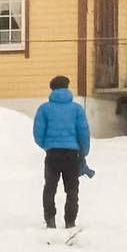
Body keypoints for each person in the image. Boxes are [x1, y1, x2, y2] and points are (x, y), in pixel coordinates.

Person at [33, 75, 90, 229]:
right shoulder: (77, 109)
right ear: (67, 87)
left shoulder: (44, 108)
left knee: (50, 188)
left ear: (52, 89)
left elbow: (38, 133)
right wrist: (83, 153)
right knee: (72, 190)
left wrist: (47, 145)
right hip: (71, 154)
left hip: (52, 154)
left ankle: (50, 221)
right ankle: (70, 222)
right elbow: (83, 132)